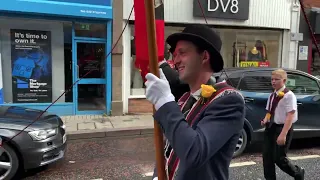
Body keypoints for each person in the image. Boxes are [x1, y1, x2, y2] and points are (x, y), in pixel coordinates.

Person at [145, 24, 245, 180]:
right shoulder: (185, 99)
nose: (175, 60)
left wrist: (164, 101)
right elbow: (169, 150)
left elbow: (194, 153)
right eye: (174, 54)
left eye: (182, 53)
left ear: (204, 56)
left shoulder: (229, 100)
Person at [261, 69, 305, 180]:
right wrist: (265, 120)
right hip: (271, 127)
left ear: (284, 80)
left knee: (279, 158)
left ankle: (298, 173)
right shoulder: (272, 95)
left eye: (276, 79)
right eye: (272, 79)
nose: (273, 81)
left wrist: (283, 134)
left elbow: (290, 115)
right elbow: (269, 112)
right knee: (267, 158)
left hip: (283, 128)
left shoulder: (289, 95)